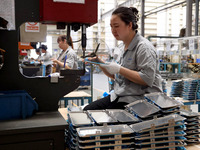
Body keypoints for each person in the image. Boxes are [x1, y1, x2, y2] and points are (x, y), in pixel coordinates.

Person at [83, 6, 163, 110]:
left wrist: (119, 69)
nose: (113, 30)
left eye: (116, 26)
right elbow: (115, 76)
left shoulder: (143, 47)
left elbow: (147, 79)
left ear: (129, 25)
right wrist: (100, 63)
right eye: (111, 26)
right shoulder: (120, 48)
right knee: (88, 110)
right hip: (119, 96)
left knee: (105, 118)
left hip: (139, 100)